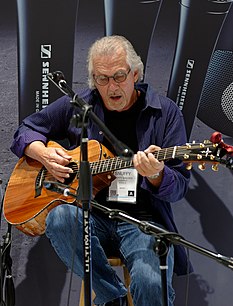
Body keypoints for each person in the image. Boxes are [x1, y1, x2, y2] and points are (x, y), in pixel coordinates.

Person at [11, 35, 192, 306]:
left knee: (151, 284)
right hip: (89, 218)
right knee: (59, 218)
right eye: (102, 78)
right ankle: (112, 297)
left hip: (140, 222)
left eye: (119, 76)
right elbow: (25, 130)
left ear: (136, 74)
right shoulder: (80, 104)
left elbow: (178, 186)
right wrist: (44, 154)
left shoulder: (165, 113)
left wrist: (156, 174)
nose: (111, 87)